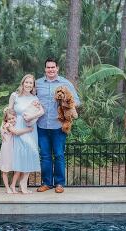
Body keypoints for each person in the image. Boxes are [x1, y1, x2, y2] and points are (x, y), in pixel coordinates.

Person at [35, 57, 81, 194]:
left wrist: (67, 103)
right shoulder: (37, 84)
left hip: (59, 127)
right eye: (48, 67)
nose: (50, 70)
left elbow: (77, 101)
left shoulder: (65, 83)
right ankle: (46, 183)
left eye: (53, 67)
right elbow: (28, 98)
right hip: (41, 126)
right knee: (45, 156)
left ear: (57, 68)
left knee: (59, 155)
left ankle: (59, 183)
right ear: (45, 69)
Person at [8, 74, 45, 194]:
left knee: (31, 153)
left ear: (33, 85)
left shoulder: (35, 99)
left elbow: (41, 112)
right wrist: (7, 127)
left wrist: (31, 116)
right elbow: (9, 112)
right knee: (20, 154)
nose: (28, 85)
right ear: (22, 83)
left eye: (31, 83)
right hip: (18, 127)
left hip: (30, 128)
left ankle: (23, 183)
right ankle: (17, 184)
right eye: (26, 82)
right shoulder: (14, 96)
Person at [0, 107, 33, 194]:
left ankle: (13, 185)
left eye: (13, 118)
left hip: (13, 149)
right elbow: (16, 132)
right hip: (7, 150)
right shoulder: (7, 125)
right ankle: (7, 188)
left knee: (18, 169)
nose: (12, 120)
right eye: (9, 118)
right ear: (6, 119)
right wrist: (28, 129)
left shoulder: (12, 124)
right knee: (5, 170)